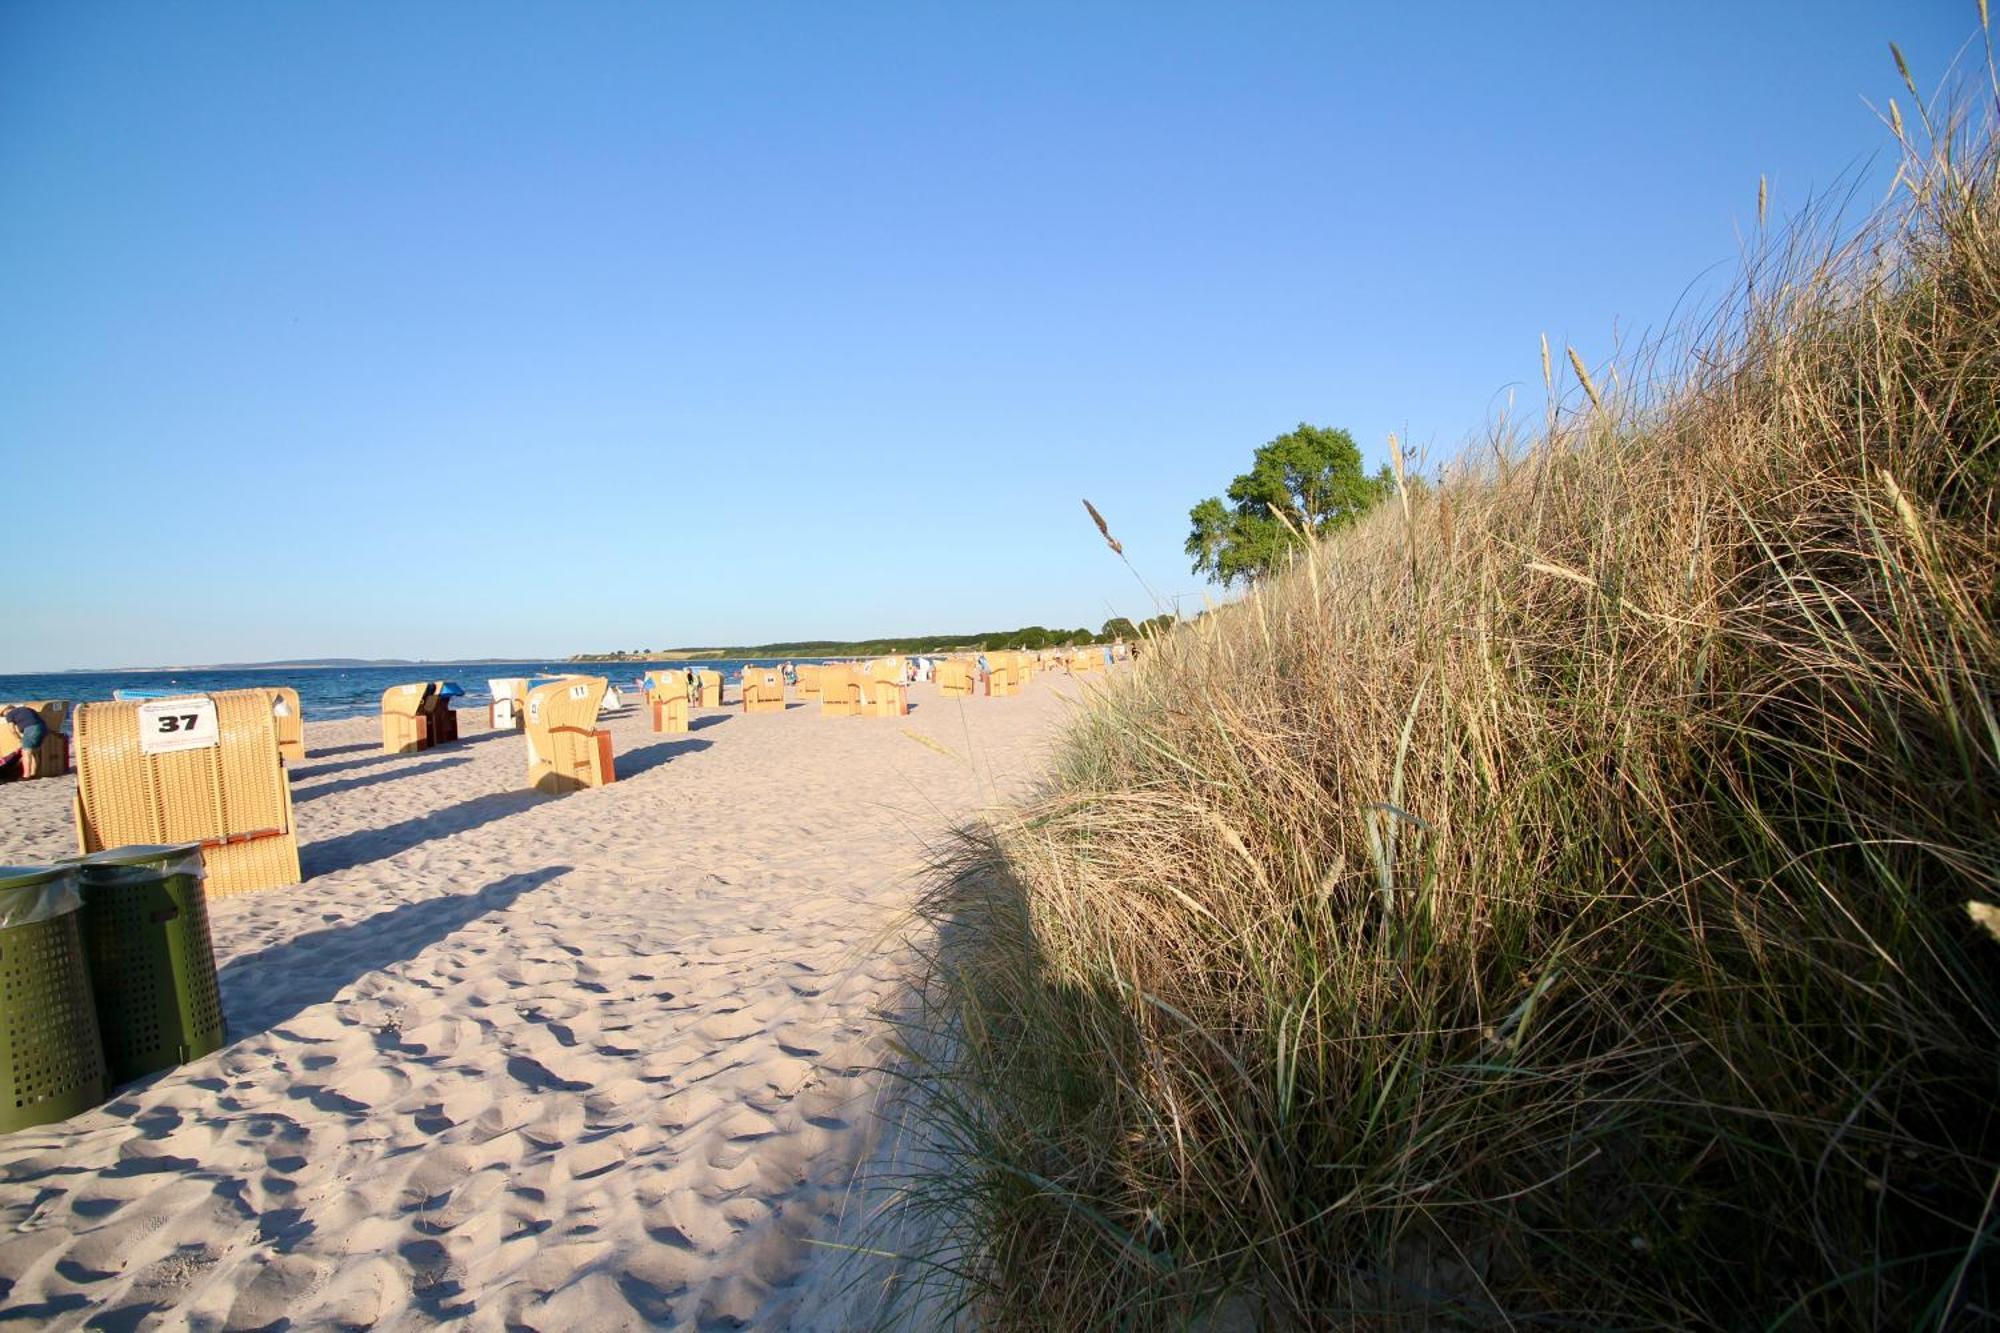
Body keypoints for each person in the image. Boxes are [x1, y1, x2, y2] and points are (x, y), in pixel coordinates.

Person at [0, 704, 46, 783]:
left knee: (25, 753)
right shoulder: (27, 709)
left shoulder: (10, 714)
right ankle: (34, 774)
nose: (4, 716)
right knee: (34, 753)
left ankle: (26, 776)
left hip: (31, 729)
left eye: (3, 714)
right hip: (42, 728)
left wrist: (19, 739)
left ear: (7, 710)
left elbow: (12, 730)